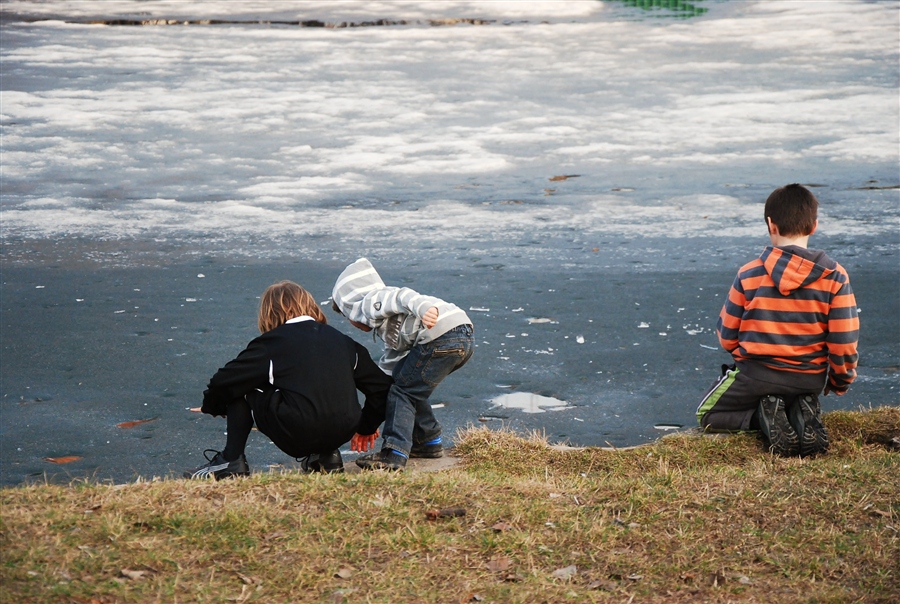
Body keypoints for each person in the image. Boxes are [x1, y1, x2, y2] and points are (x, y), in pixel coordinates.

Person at [696, 184, 859, 457]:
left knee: (708, 414)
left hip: (756, 376)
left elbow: (726, 335)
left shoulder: (749, 273)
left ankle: (763, 419)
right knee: (796, 391)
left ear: (771, 225)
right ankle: (799, 408)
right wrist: (839, 381)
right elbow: (844, 340)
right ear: (814, 225)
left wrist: (748, 357)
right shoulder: (835, 276)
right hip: (809, 379)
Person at [184, 280, 392, 480]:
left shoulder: (271, 344)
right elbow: (382, 388)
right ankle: (327, 455)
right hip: (342, 431)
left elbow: (224, 381)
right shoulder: (345, 343)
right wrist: (365, 425)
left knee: (242, 384)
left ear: (269, 313)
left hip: (298, 431)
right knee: (323, 384)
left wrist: (213, 406)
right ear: (310, 306)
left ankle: (230, 461)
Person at [331, 258, 474, 470]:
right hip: (462, 337)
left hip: (441, 334)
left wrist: (424, 308)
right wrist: (369, 423)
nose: (350, 323)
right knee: (407, 383)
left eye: (346, 315)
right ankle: (428, 441)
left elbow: (401, 295)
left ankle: (394, 453)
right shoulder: (389, 333)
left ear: (351, 305)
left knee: (402, 392)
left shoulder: (371, 302)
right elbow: (386, 379)